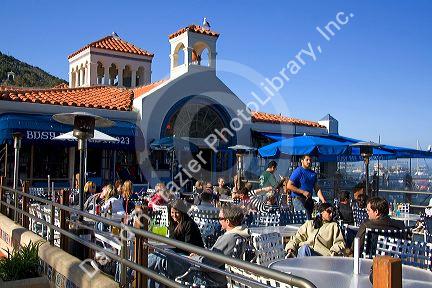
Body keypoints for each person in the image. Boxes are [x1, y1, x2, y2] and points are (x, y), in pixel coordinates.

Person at [148, 199, 204, 287]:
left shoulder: (189, 224)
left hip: (189, 260)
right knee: (159, 257)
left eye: (177, 212)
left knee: (160, 258)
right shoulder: (174, 224)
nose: (174, 215)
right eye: (172, 212)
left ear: (182, 212)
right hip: (178, 256)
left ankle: (132, 270)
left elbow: (188, 248)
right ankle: (134, 270)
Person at [287, 155, 326, 219]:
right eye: (307, 160)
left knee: (309, 219)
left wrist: (322, 199)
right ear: (302, 161)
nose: (309, 162)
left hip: (308, 200)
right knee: (304, 219)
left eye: (310, 160)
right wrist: (303, 192)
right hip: (298, 199)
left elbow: (316, 188)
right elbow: (289, 185)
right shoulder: (298, 171)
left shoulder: (313, 173)